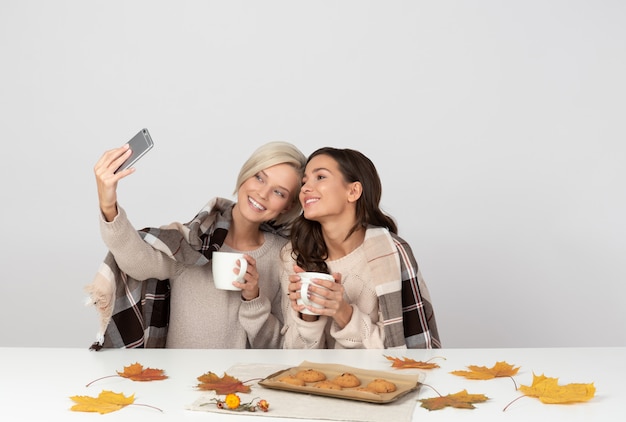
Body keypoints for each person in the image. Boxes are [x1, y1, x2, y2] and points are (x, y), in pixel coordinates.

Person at [85, 140, 306, 349]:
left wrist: (253, 298)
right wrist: (108, 203)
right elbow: (137, 263)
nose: (263, 193)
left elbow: (278, 346)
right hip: (179, 383)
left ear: (288, 206)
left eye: (279, 192)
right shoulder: (192, 241)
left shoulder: (285, 255)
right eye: (259, 177)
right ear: (246, 174)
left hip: (242, 385)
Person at [281, 147, 441, 349]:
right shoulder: (294, 255)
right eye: (304, 182)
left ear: (353, 191)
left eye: (320, 177)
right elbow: (291, 355)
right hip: (315, 379)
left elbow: (401, 350)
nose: (304, 188)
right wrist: (307, 316)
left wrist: (342, 312)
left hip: (376, 379)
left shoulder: (391, 253)